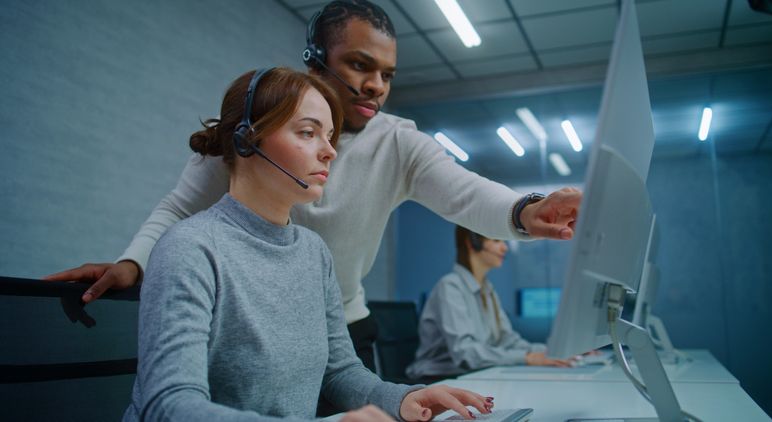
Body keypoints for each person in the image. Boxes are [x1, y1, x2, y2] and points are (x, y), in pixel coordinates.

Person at [45, 0, 581, 373]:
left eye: (388, 74)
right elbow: (181, 208)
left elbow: (467, 193)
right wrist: (134, 261)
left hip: (344, 325)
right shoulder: (259, 128)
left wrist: (528, 209)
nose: (376, 85)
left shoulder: (398, 143)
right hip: (256, 330)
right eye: (360, 65)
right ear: (317, 60)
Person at [123, 67, 493, 421]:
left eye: (329, 136)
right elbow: (169, 406)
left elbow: (340, 371)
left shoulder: (313, 253)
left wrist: (403, 398)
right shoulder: (190, 248)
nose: (330, 151)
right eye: (307, 132)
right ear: (247, 140)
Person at [406, 226, 572, 381]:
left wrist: (552, 352)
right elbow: (466, 353)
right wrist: (526, 358)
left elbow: (507, 340)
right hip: (436, 379)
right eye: (496, 240)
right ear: (472, 243)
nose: (505, 247)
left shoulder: (487, 289)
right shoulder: (450, 287)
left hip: (472, 374)